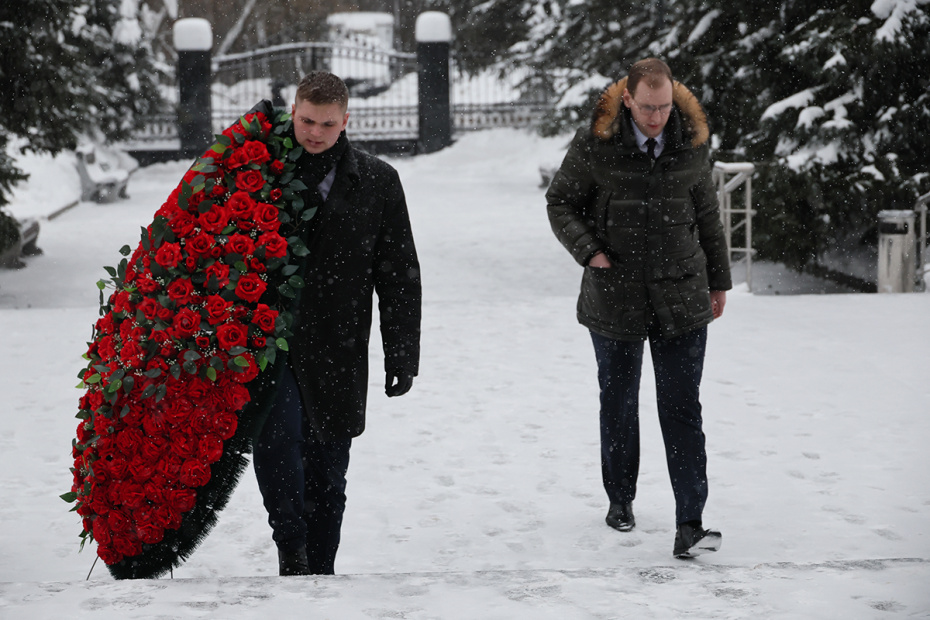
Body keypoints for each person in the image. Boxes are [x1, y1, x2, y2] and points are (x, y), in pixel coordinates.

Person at [545, 58, 732, 559]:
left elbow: (707, 215)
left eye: (664, 106)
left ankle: (690, 522)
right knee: (619, 402)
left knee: (682, 406)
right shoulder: (596, 144)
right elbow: (560, 202)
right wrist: (591, 252)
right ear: (628, 99)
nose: (656, 117)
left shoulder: (691, 142)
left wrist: (719, 282)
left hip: (682, 294)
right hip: (615, 295)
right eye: (647, 107)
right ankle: (620, 499)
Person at [249, 71, 421, 575]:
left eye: (327, 124)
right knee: (278, 446)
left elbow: (399, 274)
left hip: (339, 344)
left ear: (346, 120)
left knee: (328, 469)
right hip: (271, 341)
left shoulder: (378, 181)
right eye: (306, 121)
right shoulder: (258, 173)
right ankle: (291, 549)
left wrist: (402, 353)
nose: (315, 133)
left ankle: (321, 569)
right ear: (293, 113)